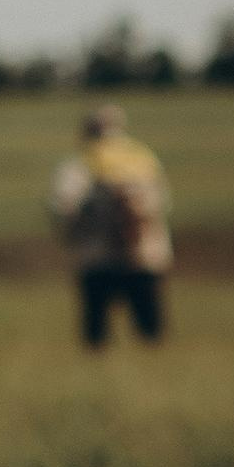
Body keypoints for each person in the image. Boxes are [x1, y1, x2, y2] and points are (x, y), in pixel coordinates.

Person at [48, 104, 173, 346]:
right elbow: (162, 204)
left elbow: (62, 207)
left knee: (96, 332)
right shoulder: (143, 157)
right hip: (143, 255)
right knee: (150, 330)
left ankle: (99, 376)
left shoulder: (82, 162)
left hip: (97, 257)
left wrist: (71, 236)